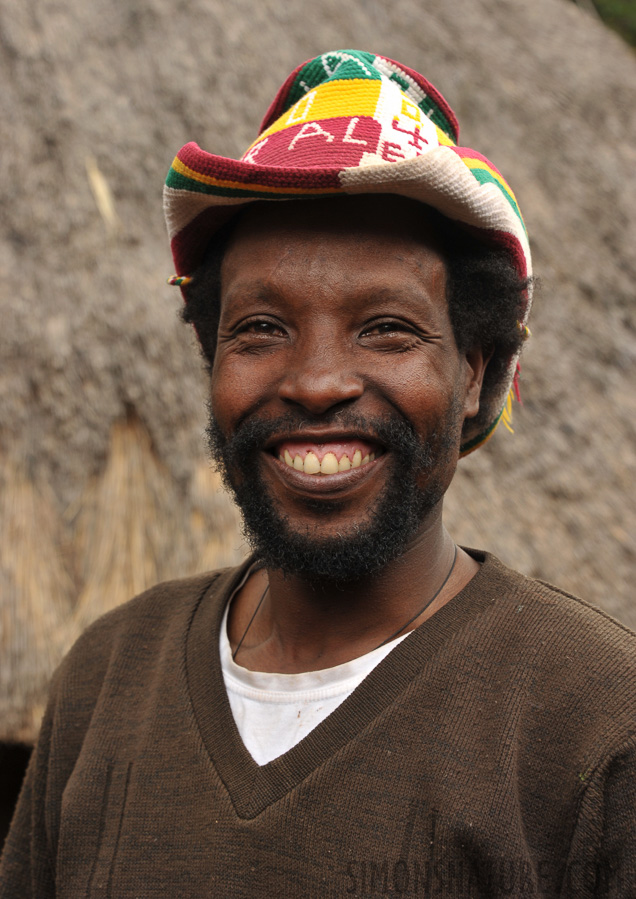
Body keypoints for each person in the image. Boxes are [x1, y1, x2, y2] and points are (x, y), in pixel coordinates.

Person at [2, 49, 635, 898]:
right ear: (210, 356)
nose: (315, 381)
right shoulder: (107, 680)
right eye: (261, 327)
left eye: (386, 329)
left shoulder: (595, 732)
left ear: (476, 370)